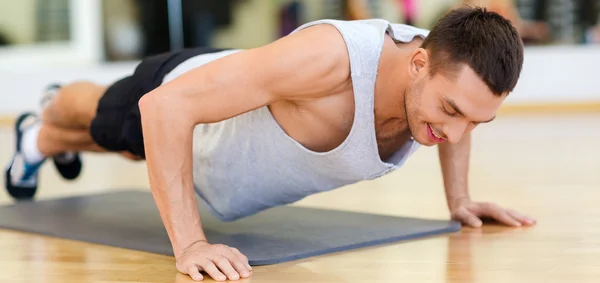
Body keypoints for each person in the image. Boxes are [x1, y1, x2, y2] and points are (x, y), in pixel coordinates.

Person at [5, 6, 537, 282]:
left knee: (128, 148)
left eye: (476, 121)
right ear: (418, 63)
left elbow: (457, 117)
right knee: (106, 119)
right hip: (176, 94)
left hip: (214, 161)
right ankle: (49, 117)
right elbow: (164, 110)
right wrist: (190, 245)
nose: (456, 131)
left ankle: (45, 140)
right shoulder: (331, 59)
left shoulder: (440, 83)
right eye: (450, 111)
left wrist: (460, 199)